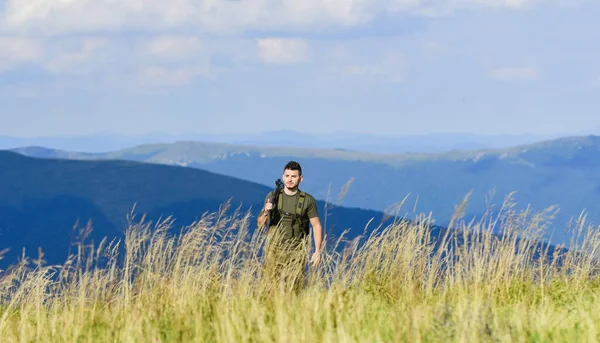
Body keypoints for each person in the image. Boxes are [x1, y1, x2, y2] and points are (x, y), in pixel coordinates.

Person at [257, 161, 323, 292]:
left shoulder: (307, 200)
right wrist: (266, 212)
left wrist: (317, 251)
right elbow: (260, 225)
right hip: (274, 250)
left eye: (294, 176)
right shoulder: (273, 196)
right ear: (283, 177)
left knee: (294, 289)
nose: (290, 179)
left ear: (300, 178)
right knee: (271, 288)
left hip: (296, 252)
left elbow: (316, 226)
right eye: (287, 176)